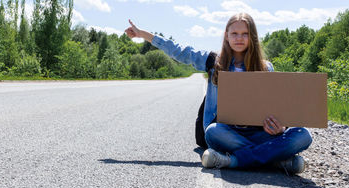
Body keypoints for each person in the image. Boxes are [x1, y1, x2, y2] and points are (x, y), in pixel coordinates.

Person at [124, 13, 312, 174]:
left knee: (303, 134)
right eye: (235, 33)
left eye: (245, 34)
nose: (239, 38)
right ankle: (276, 160)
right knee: (213, 132)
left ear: (252, 37)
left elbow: (276, 107)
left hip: (259, 134)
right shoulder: (214, 61)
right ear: (226, 36)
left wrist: (281, 128)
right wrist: (143, 35)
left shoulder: (265, 68)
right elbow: (179, 51)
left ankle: (235, 161)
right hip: (227, 133)